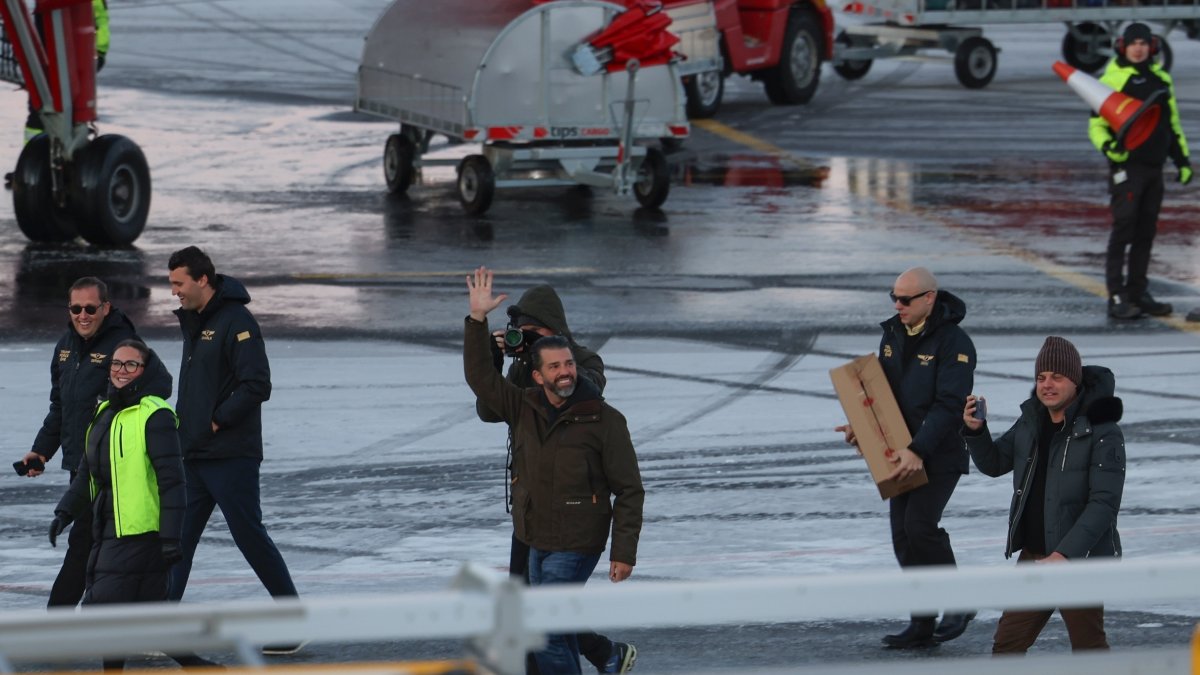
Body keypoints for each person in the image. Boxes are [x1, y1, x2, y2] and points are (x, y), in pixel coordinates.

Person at [464, 267, 644, 675]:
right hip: (531, 509)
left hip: (574, 517)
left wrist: (549, 358)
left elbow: (588, 391)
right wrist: (496, 356)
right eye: (520, 332)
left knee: (541, 614)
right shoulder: (525, 366)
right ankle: (604, 654)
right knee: (531, 604)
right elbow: (488, 409)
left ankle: (588, 657)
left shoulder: (579, 361)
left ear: (551, 328)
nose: (524, 339)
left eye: (532, 331)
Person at [165, 246, 303, 655]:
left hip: (230, 455)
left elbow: (257, 383)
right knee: (177, 540)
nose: (173, 292)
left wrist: (216, 419)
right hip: (195, 454)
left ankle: (293, 622)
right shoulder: (196, 320)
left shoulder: (236, 321)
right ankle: (157, 624)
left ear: (202, 279)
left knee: (249, 537)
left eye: (178, 283)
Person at [835, 267, 976, 648]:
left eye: (905, 299)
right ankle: (922, 621)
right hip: (900, 453)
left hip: (939, 453)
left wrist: (918, 449)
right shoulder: (892, 334)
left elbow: (949, 406)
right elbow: (882, 395)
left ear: (930, 298)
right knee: (902, 537)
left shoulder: (955, 344)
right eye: (893, 297)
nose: (897, 305)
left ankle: (960, 601)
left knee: (920, 527)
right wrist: (859, 428)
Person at [962, 336, 1124, 653]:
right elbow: (995, 463)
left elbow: (1104, 504)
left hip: (1078, 561)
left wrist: (1064, 556)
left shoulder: (1102, 431)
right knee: (1007, 645)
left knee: (1089, 649)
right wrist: (976, 431)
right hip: (1036, 556)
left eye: (1057, 377)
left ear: (1075, 382)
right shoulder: (1031, 422)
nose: (1047, 385)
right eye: (1041, 377)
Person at [48, 339, 185, 670]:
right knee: (147, 618)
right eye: (116, 364)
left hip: (142, 533)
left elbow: (173, 481)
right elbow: (87, 473)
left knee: (105, 610)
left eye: (131, 365)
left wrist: (171, 537)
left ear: (144, 370)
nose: (122, 371)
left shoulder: (155, 415)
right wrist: (65, 511)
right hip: (107, 529)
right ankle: (206, 667)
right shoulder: (105, 412)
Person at [17, 276, 137, 607]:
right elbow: (61, 407)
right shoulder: (65, 348)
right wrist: (41, 450)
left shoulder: (124, 348)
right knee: (97, 546)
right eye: (75, 308)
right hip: (81, 465)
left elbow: (137, 408)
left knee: (91, 544)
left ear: (106, 307)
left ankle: (60, 622)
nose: (82, 315)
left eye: (90, 308)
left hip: (117, 468)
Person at [1089, 21, 1191, 320]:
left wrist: (1182, 160)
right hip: (1128, 168)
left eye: (1143, 43)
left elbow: (1171, 124)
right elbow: (1096, 124)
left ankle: (1138, 291)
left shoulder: (1161, 79)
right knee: (1124, 229)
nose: (1138, 48)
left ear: (1152, 47)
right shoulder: (1113, 79)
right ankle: (1116, 295)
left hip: (1154, 167)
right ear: (1123, 46)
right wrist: (1109, 147)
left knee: (1146, 232)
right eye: (1133, 43)